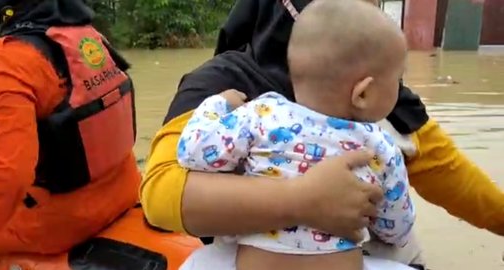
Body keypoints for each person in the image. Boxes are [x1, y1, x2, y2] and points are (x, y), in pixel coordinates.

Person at [140, 0, 504, 267]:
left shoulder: (377, 80)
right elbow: (161, 191)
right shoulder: (223, 82)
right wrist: (300, 200)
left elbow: (442, 167)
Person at [176, 1, 415, 269]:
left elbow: (192, 152)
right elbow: (398, 229)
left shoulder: (261, 113)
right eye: (398, 80)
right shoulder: (380, 146)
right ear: (363, 94)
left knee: (199, 261)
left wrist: (217, 104)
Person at [0, 0, 140, 268]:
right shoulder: (88, 36)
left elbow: (6, 179)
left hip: (59, 223)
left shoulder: (7, 65)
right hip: (124, 190)